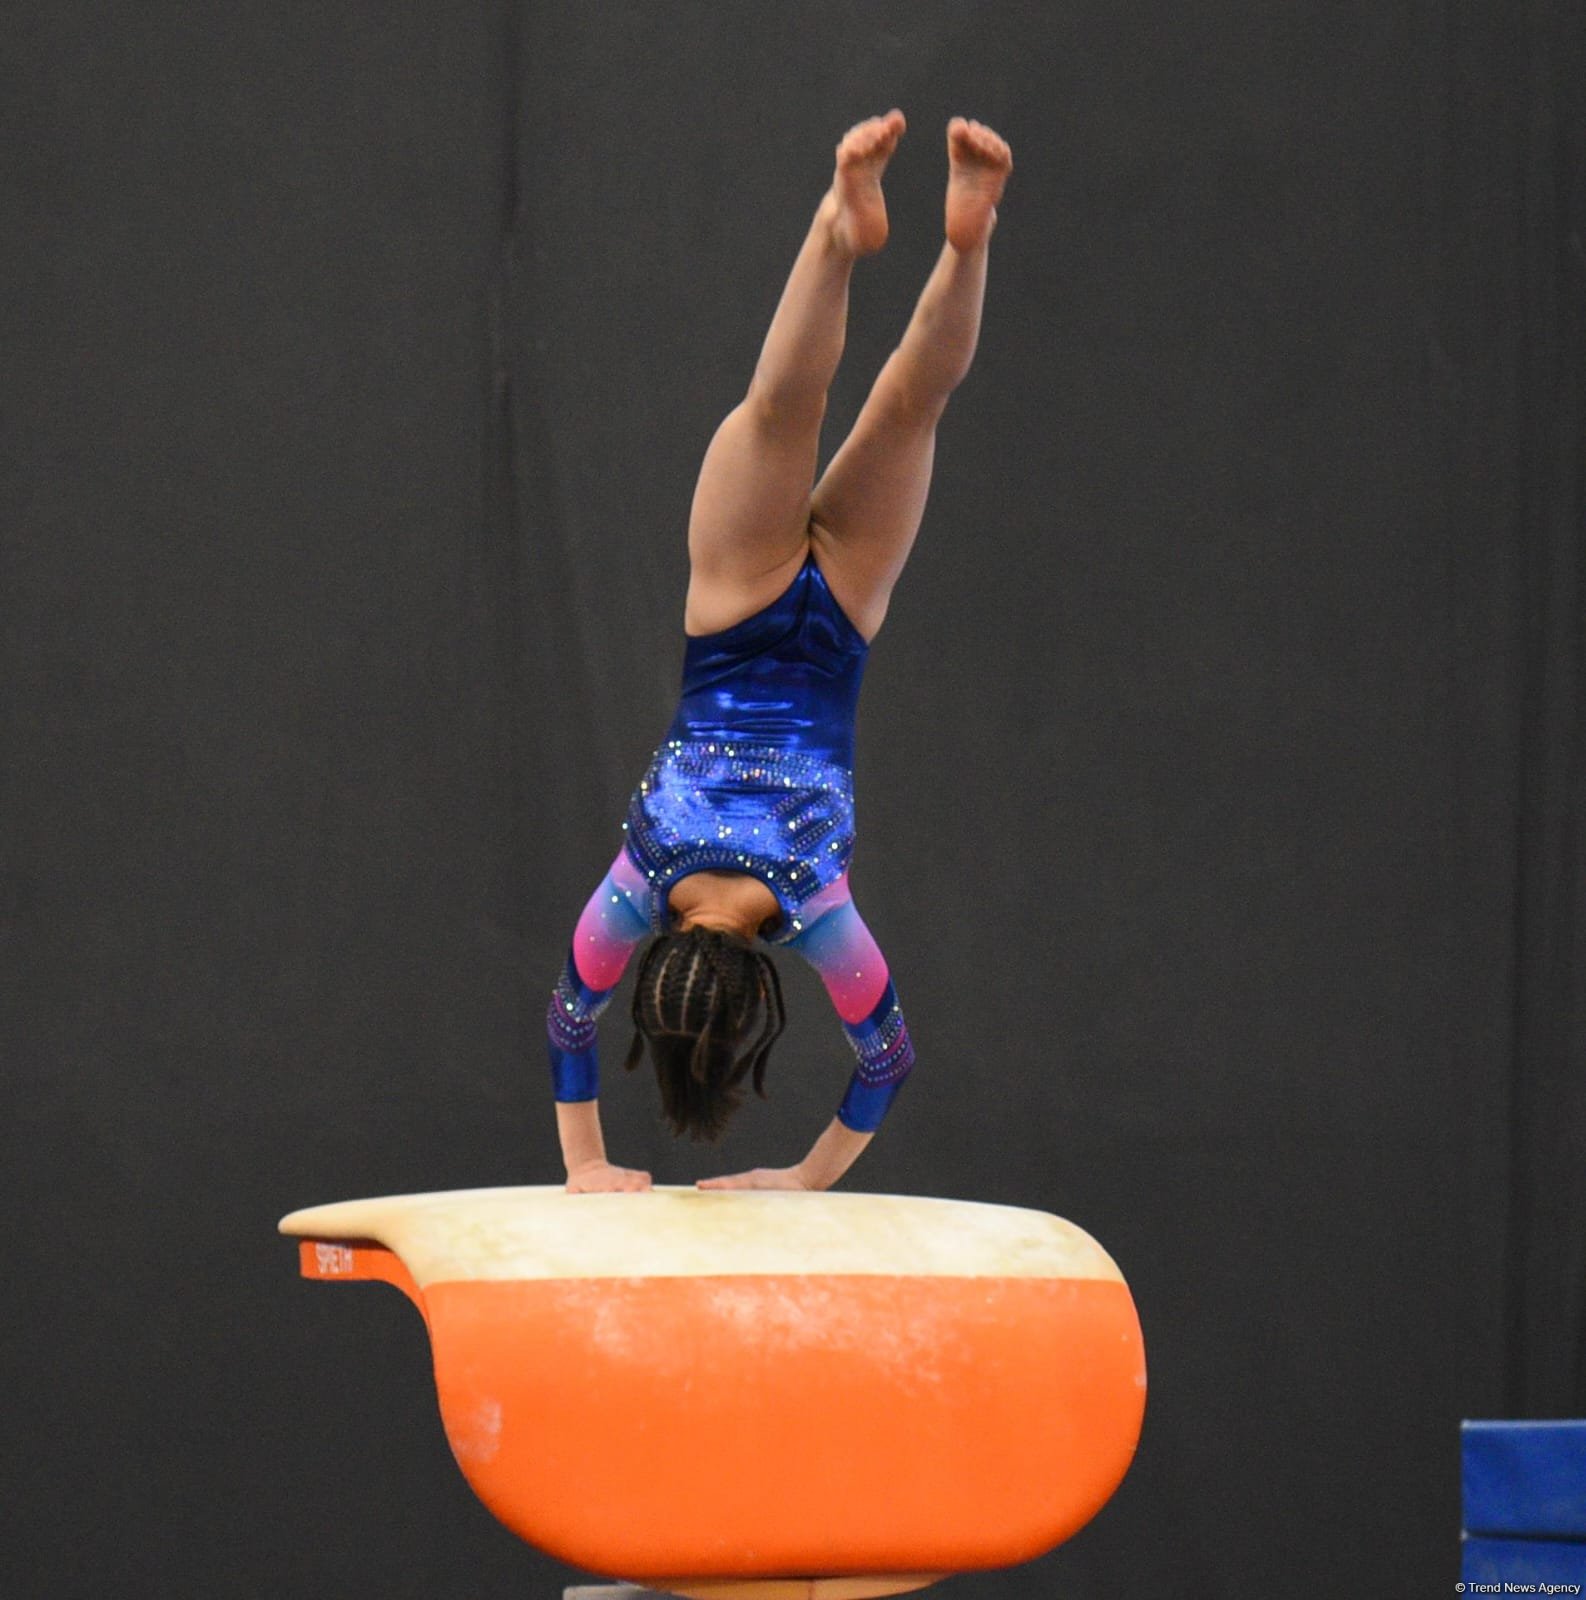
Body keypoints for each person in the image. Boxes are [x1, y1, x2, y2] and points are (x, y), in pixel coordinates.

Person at [545, 110, 1012, 1194]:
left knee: (910, 403)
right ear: (660, 963)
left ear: (765, 990)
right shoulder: (638, 882)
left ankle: (968, 236)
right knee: (781, 407)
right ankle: (836, 226)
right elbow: (570, 1017)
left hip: (839, 619)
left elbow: (885, 1060)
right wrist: (582, 1156)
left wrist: (800, 1179)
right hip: (734, 598)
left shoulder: (817, 909)